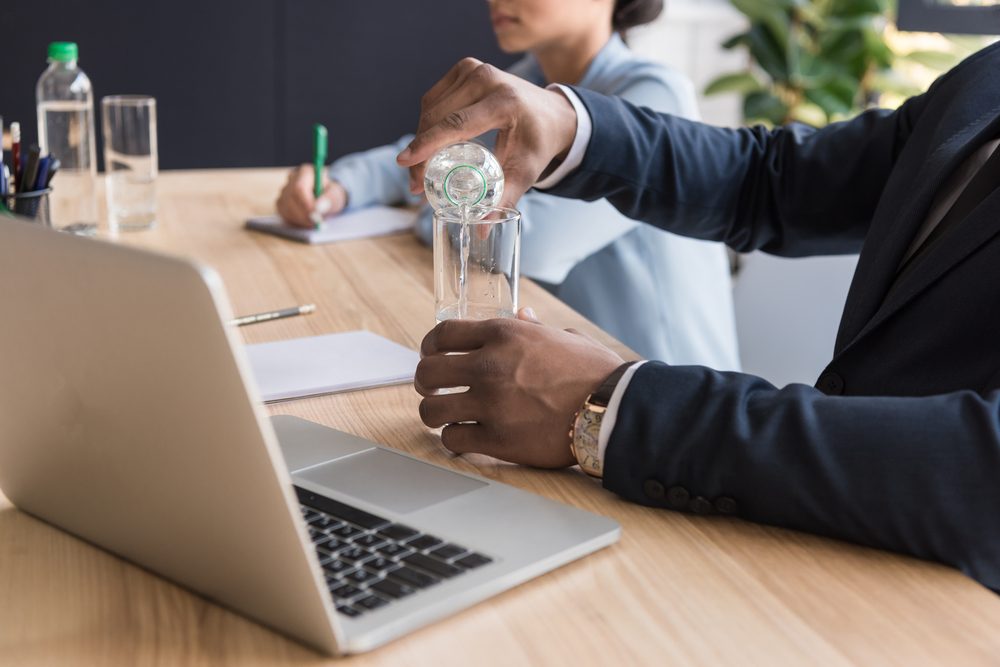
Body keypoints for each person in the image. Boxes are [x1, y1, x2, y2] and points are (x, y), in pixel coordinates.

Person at [396, 43, 1000, 592]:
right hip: (815, 557)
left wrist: (616, 406)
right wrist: (576, 127)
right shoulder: (988, 74)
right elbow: (775, 181)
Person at [274, 0, 739, 368]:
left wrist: (438, 209)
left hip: (659, 387)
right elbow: (423, 153)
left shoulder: (655, 97)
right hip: (567, 360)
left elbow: (528, 246)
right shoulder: (527, 82)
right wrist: (337, 186)